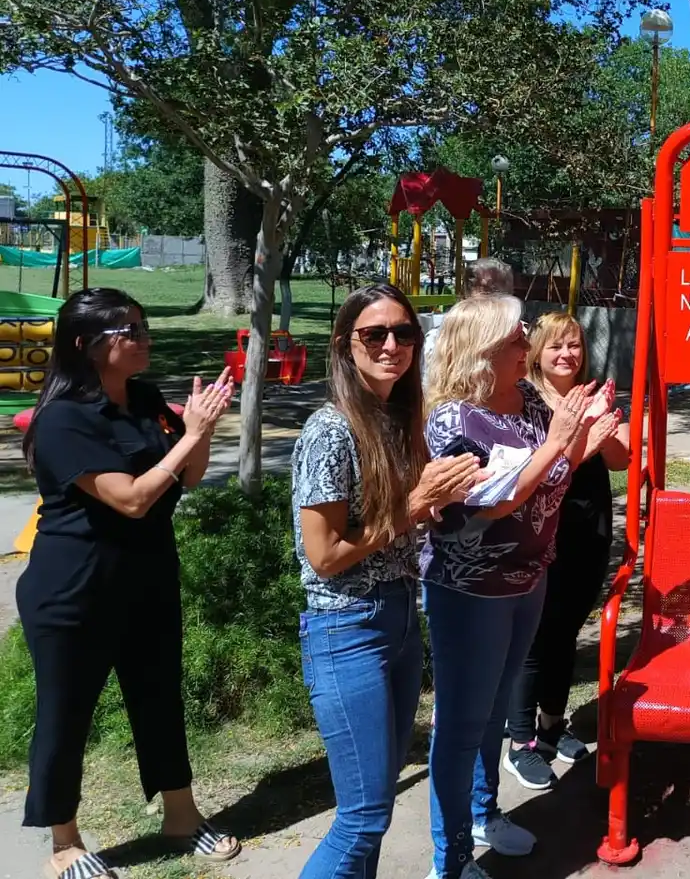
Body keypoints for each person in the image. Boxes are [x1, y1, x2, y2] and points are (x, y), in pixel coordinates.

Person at [18, 288, 240, 879]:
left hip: (146, 578)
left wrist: (201, 430)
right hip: (74, 590)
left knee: (159, 696)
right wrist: (191, 437)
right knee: (66, 713)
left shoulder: (141, 399)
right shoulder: (62, 419)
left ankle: (182, 817)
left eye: (142, 327)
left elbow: (186, 479)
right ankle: (65, 842)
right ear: (84, 346)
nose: (143, 339)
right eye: (128, 331)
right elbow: (133, 499)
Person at [422, 296, 620, 879]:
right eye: (517, 336)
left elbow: (549, 481)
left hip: (527, 578)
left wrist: (583, 442)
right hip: (472, 589)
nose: (527, 343)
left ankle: (484, 814)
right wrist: (562, 441)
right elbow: (497, 500)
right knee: (461, 724)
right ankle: (449, 860)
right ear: (484, 351)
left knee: (489, 717)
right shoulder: (453, 420)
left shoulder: (531, 401)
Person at [292, 284, 484, 879]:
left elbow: (405, 521)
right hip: (346, 627)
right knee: (364, 817)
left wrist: (449, 493)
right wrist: (414, 504)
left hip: (399, 618)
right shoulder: (330, 430)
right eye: (373, 334)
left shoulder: (399, 421)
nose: (391, 345)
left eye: (403, 333)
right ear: (346, 345)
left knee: (373, 817)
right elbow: (323, 556)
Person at [504, 312, 630, 789]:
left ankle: (552, 724)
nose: (567, 354)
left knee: (567, 627)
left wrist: (605, 418)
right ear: (538, 350)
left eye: (574, 345)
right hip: (544, 522)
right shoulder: (527, 399)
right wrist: (584, 438)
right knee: (536, 633)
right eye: (556, 345)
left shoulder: (591, 396)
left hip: (588, 523)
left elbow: (620, 459)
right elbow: (543, 466)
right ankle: (520, 742)